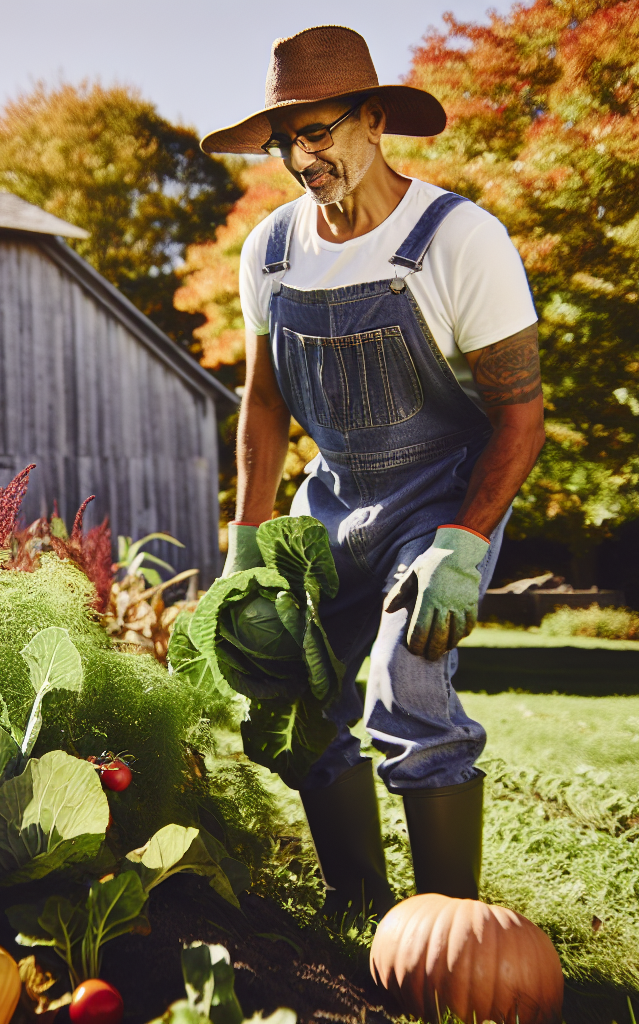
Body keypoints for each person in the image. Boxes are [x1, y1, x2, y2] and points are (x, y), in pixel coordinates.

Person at [200, 25, 544, 916]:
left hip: (442, 494)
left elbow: (520, 412)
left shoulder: (458, 240)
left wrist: (464, 543)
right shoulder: (270, 252)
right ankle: (356, 906)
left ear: (376, 119)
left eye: (318, 132)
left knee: (408, 682)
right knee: (293, 684)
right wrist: (247, 537)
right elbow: (266, 403)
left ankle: (449, 928)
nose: (299, 157)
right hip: (337, 495)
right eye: (284, 140)